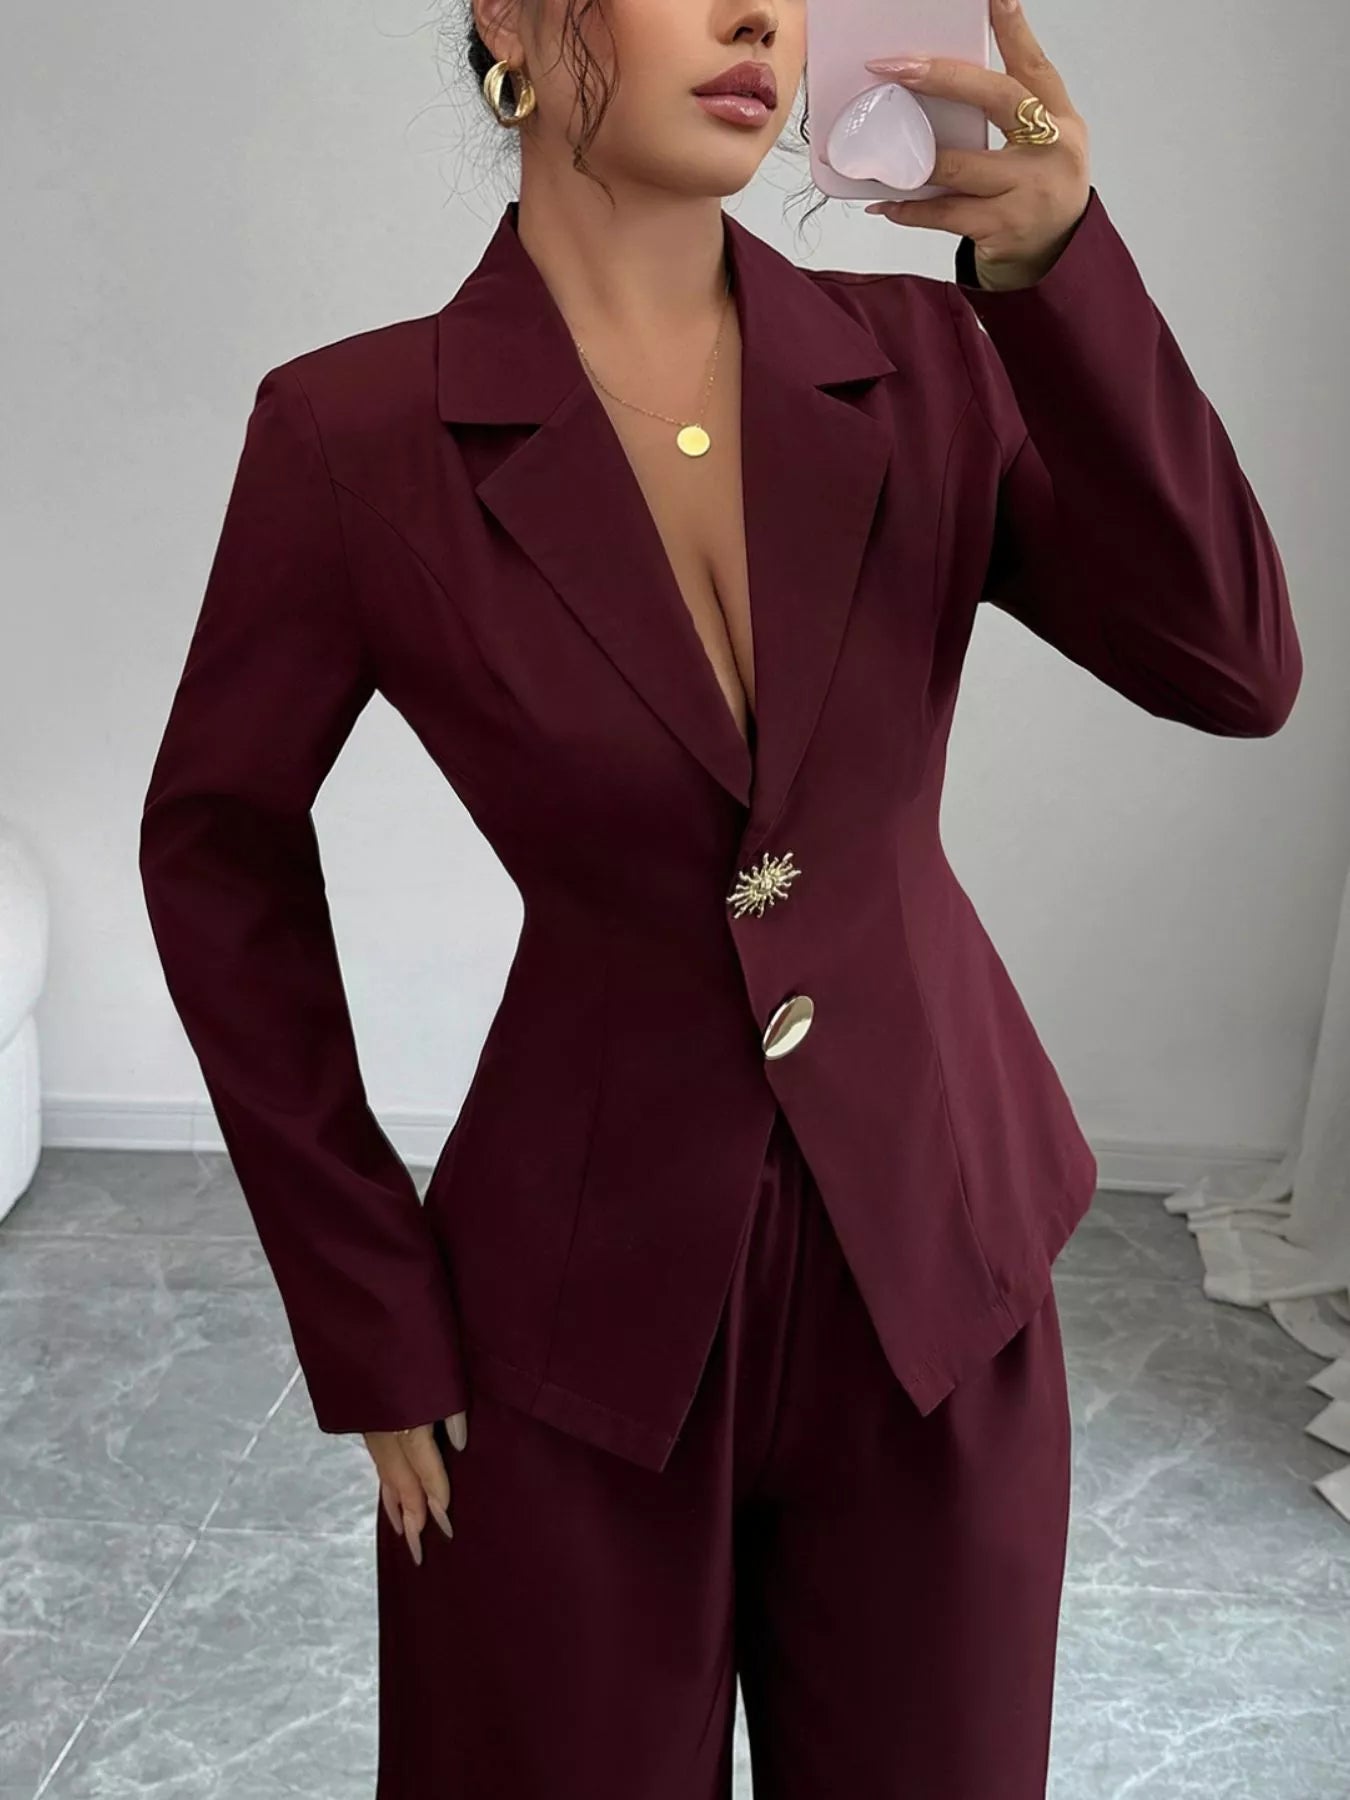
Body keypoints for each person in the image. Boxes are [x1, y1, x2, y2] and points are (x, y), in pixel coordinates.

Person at [137, 0, 1303, 1792]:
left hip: (939, 1267)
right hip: (570, 1319)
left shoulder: (932, 360)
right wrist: (364, 1302)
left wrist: (1055, 269)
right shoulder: (353, 431)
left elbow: (1229, 666)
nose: (759, 10)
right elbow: (216, 850)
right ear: (510, 18)